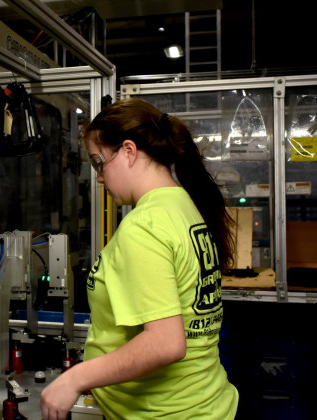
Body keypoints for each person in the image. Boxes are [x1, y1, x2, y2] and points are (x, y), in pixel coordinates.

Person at [40, 98, 239, 419]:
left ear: (129, 151)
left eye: (98, 162)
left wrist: (74, 379)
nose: (99, 178)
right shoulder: (182, 207)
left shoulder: (144, 226)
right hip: (203, 402)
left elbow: (165, 345)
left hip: (164, 412)